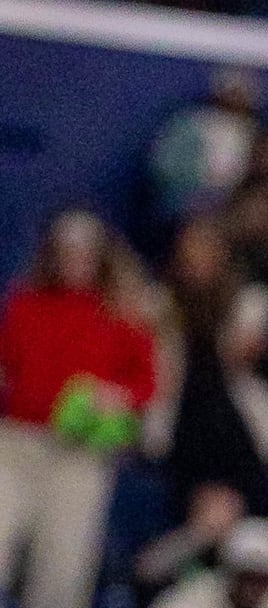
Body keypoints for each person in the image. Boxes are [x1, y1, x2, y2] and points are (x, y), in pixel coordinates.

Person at [0, 207, 157, 608]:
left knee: (62, 566)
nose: (76, 260)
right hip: (17, 445)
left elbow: (146, 383)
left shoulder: (122, 312)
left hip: (80, 455)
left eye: (85, 252)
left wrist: (116, 395)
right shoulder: (24, 302)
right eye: (67, 251)